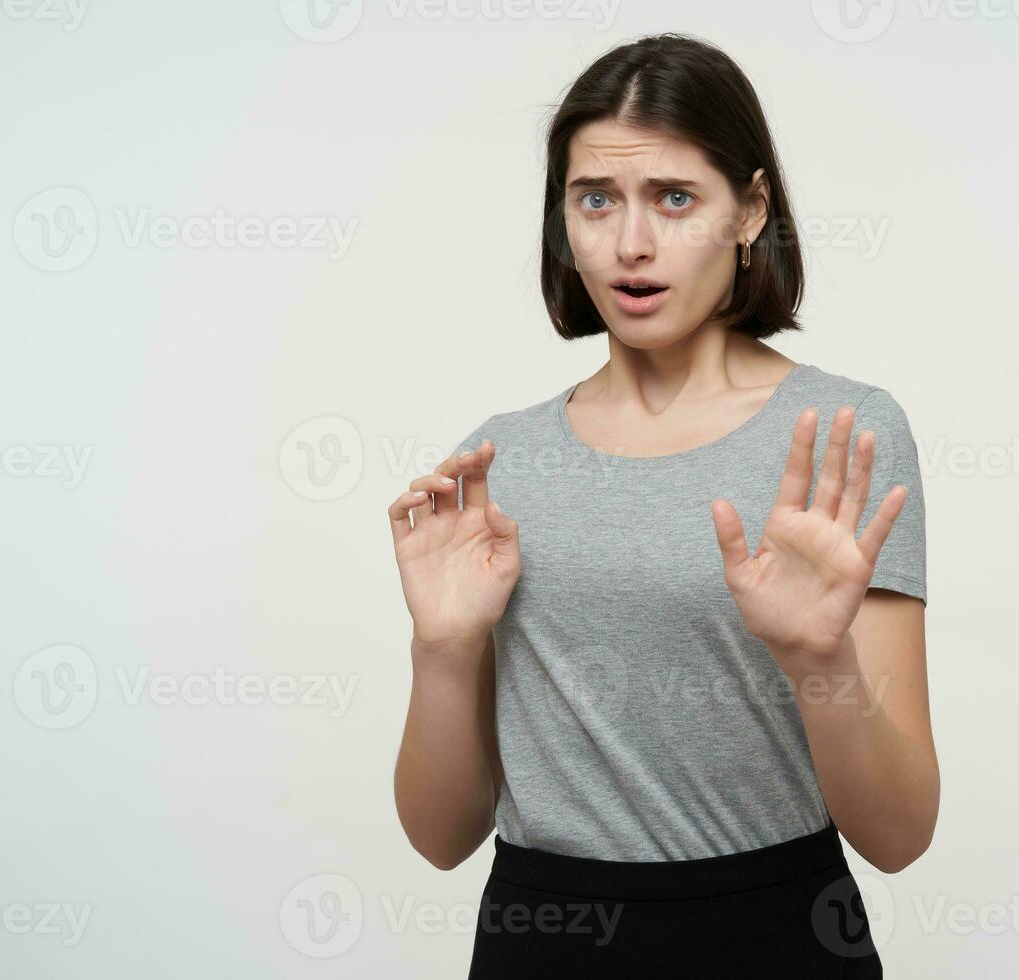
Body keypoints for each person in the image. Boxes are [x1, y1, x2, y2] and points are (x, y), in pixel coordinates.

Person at [388, 33, 938, 978]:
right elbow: (441, 839)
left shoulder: (841, 435)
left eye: (674, 199)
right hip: (542, 940)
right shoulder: (499, 459)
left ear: (750, 210)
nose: (630, 244)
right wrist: (441, 651)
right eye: (595, 199)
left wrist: (818, 656)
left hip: (775, 935)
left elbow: (899, 832)